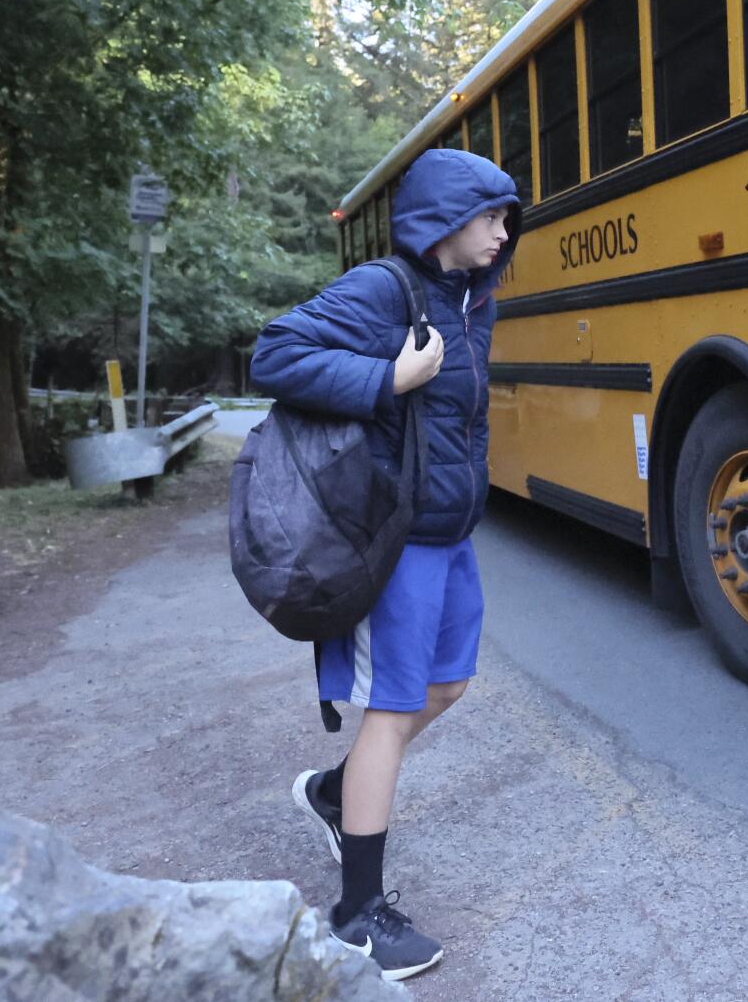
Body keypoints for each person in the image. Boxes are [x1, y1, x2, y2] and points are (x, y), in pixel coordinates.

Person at [248, 148, 518, 982]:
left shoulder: (475, 297)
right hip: (397, 538)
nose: (506, 233)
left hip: (451, 532)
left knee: (447, 686)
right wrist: (386, 376)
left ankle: (336, 794)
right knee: (392, 714)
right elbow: (275, 354)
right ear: (446, 221)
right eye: (493, 217)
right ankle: (357, 914)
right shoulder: (382, 290)